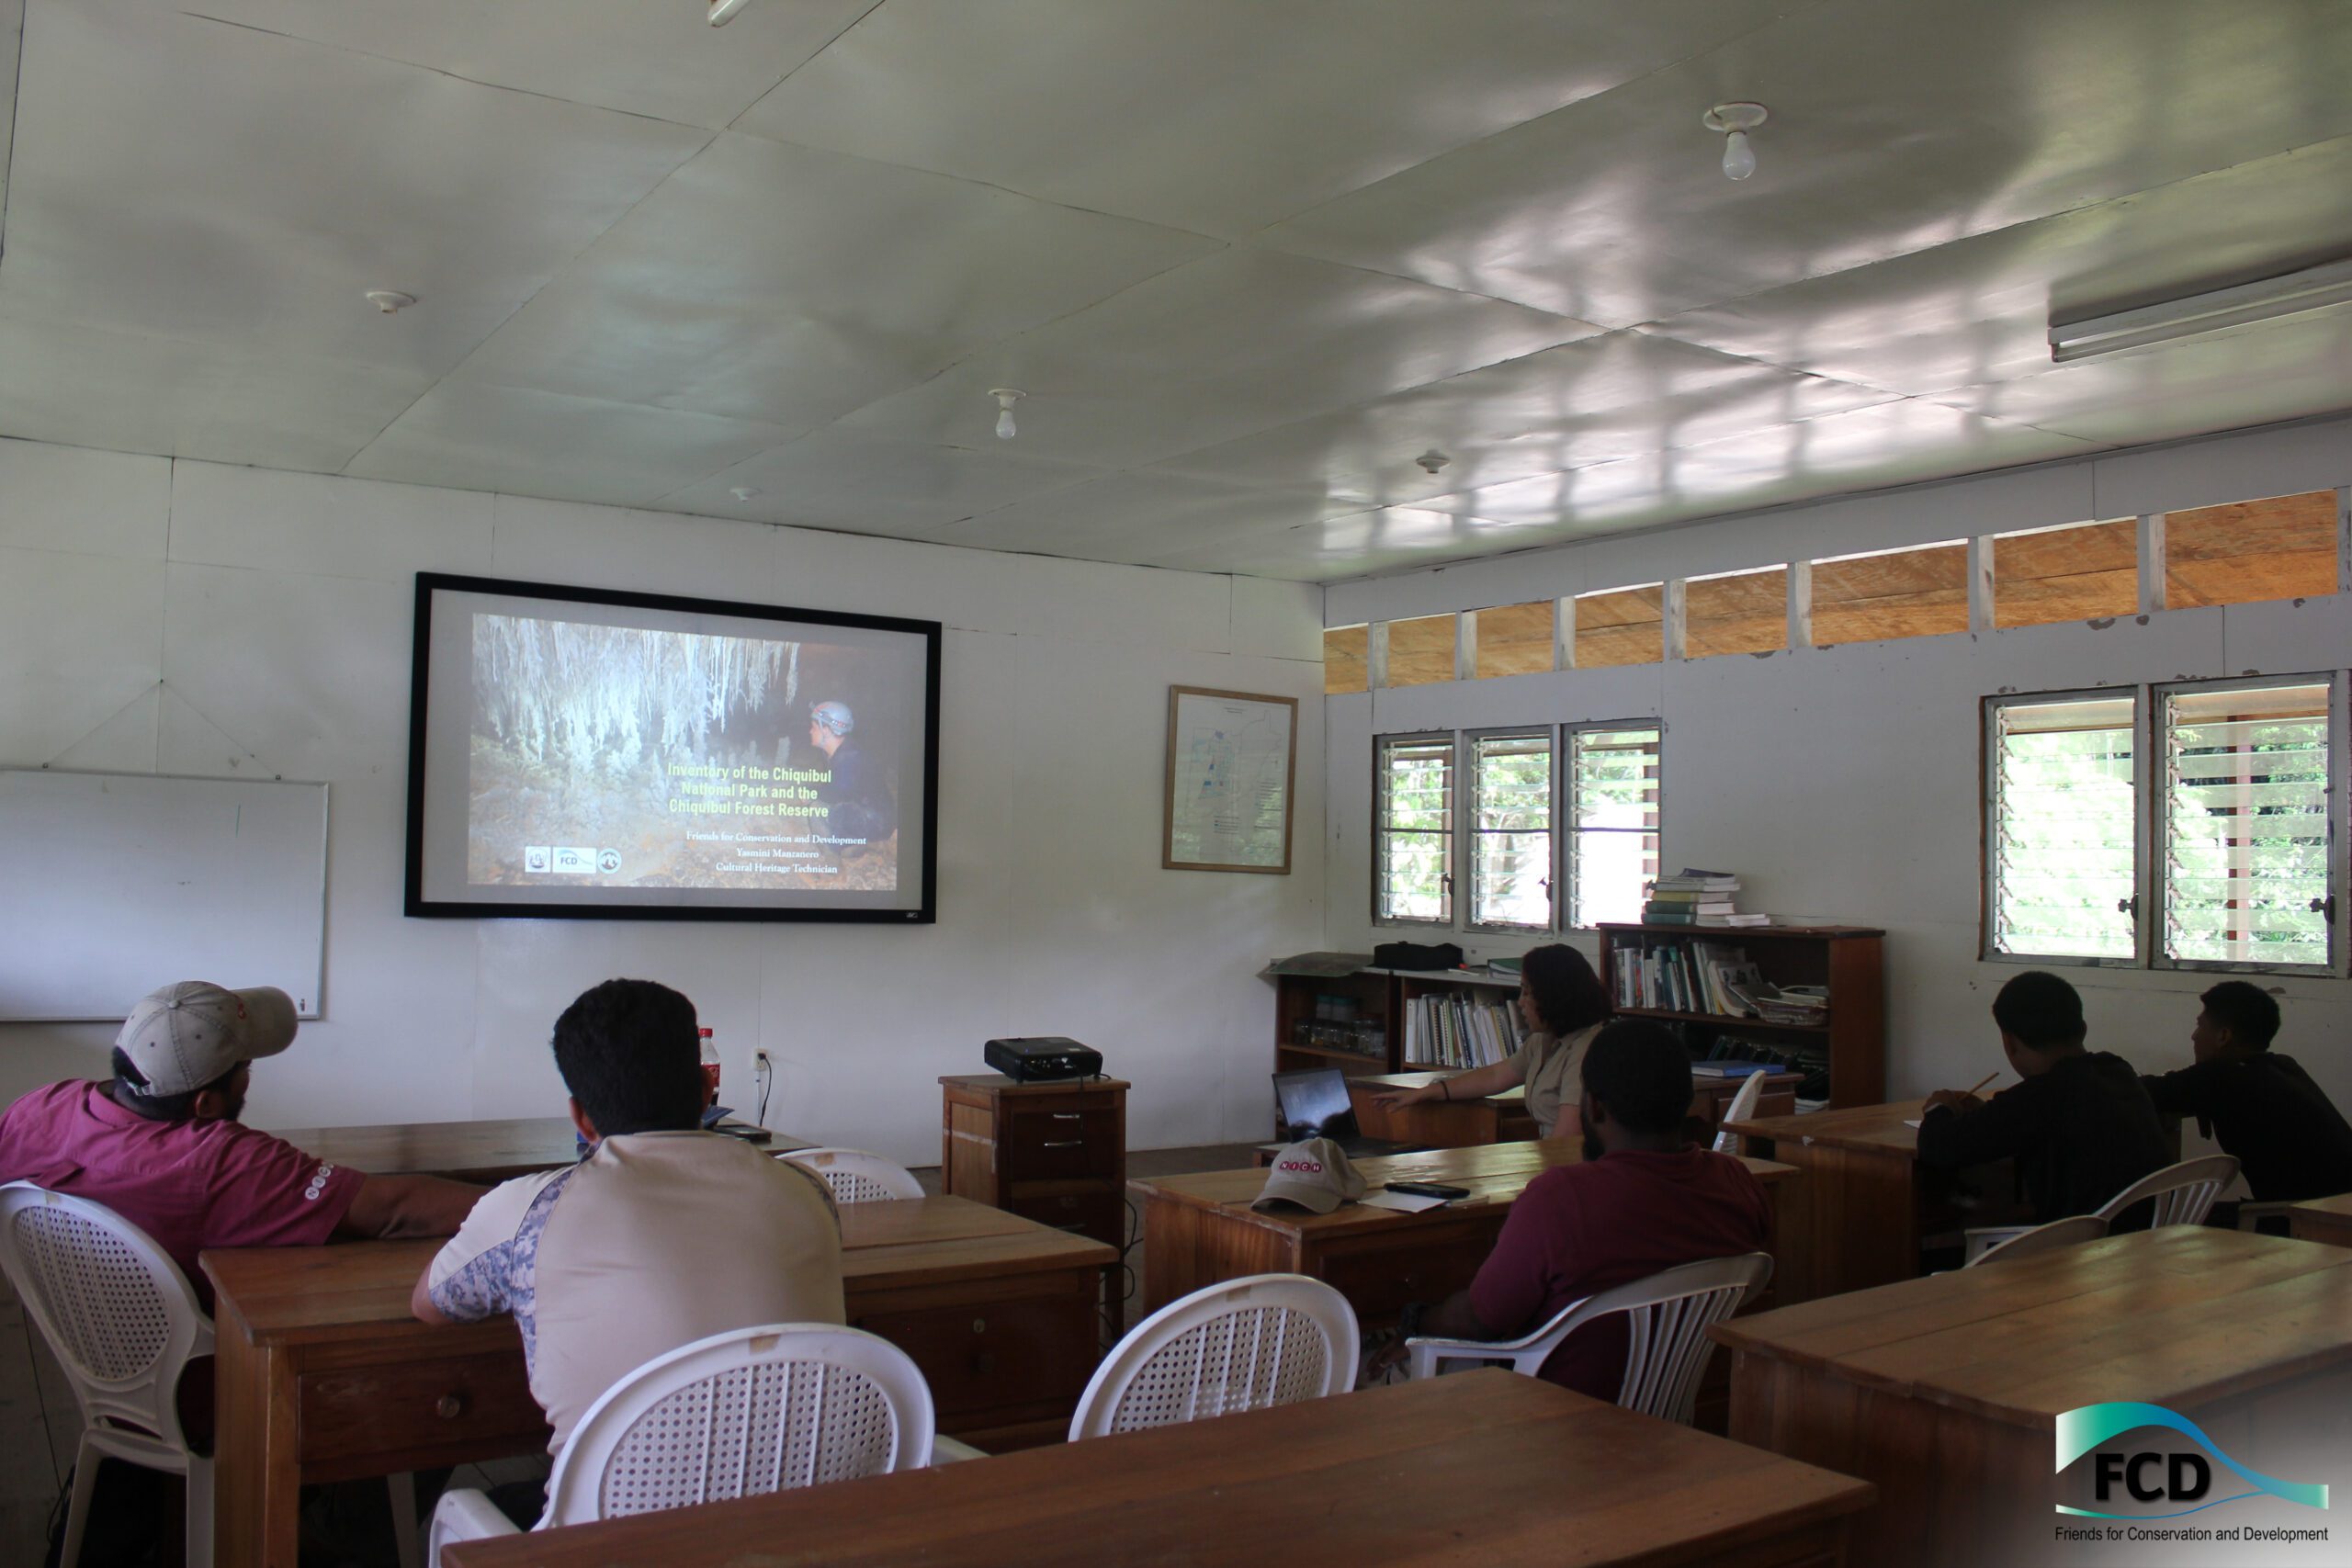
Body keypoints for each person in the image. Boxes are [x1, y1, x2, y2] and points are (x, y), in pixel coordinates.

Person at [413, 978, 844, 1461]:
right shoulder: (808, 1192)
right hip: (807, 1518)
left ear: (581, 1119)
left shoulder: (528, 1212)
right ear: (707, 1091)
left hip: (611, 1530)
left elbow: (429, 1304)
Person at [0, 980, 483, 1308]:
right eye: (246, 1067)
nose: (249, 1076)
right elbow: (394, 1211)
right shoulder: (217, 1161)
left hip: (99, 1354)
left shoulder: (41, 1106)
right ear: (207, 1104)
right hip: (212, 1375)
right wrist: (534, 1199)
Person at [1372, 1019, 1771, 1395]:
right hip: (1673, 1408)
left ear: (1593, 1107)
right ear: (1685, 1101)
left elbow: (1478, 1320)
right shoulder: (1737, 1182)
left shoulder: (1561, 1200)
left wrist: (1411, 1324)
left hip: (1552, 1417)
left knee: (1365, 1365)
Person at [1917, 970, 2171, 1225]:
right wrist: (1988, 1112)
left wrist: (1939, 1107)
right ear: (2082, 1029)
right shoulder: (2116, 1069)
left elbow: (1936, 1147)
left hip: (2082, 1253)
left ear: (2010, 1043)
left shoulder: (2041, 1096)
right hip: (2144, 1242)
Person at [2139, 981, 2352, 1205]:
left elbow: (2136, 1090)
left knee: (2174, 1225)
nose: (2194, 1036)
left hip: (2303, 1222)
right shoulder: (2285, 1067)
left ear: (2223, 1036)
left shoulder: (2221, 1076)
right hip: (2340, 1212)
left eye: (2200, 1026)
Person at [1368, 945, 1611, 1137]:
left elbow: (1567, 1139)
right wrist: (1428, 1093)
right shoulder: (1543, 1042)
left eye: (1527, 992)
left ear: (1553, 996)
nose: (1520, 1002)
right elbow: (1496, 1076)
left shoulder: (1585, 1050)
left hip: (1563, 1169)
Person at [805, 699, 896, 845]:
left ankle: (835, 857)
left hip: (876, 821)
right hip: (870, 815)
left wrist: (809, 795)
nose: (810, 731)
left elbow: (835, 794)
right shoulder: (844, 751)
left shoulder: (850, 757)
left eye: (814, 727)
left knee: (818, 809)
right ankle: (855, 845)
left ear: (826, 731)